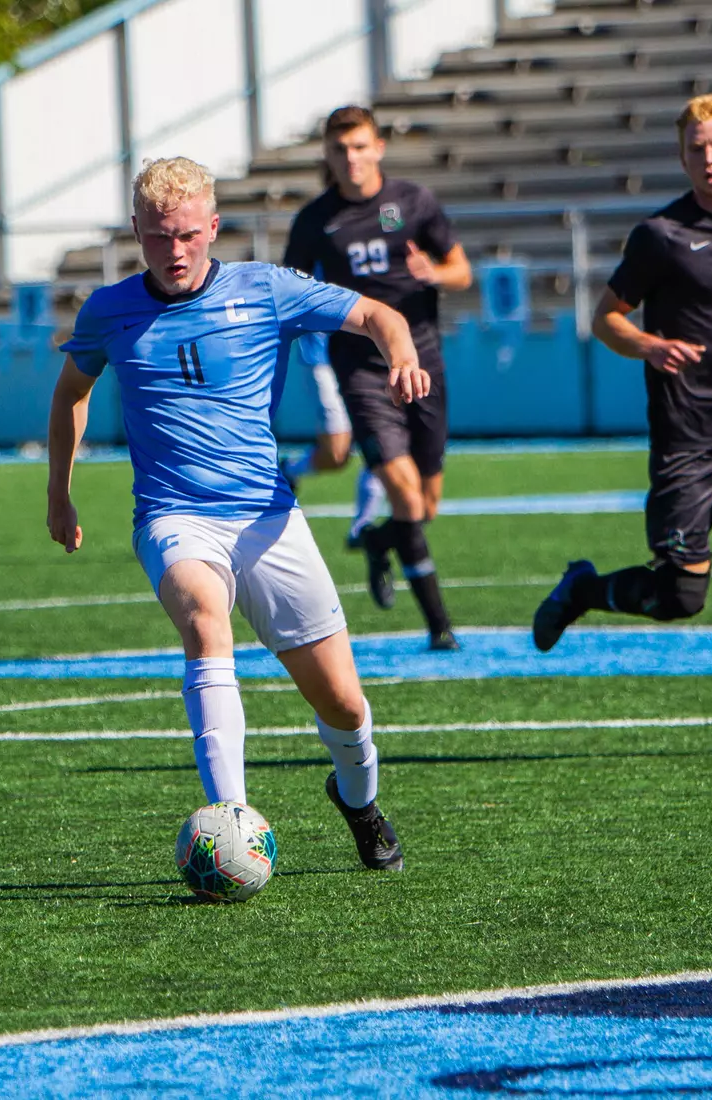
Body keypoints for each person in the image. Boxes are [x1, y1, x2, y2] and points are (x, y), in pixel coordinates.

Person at [47, 156, 431, 871]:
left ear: (214, 227)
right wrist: (58, 493)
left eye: (189, 235)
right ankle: (233, 823)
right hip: (172, 516)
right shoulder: (108, 311)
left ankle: (360, 802)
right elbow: (71, 392)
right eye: (159, 238)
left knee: (344, 707)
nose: (176, 252)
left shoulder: (266, 289)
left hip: (266, 516)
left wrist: (401, 355)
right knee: (201, 612)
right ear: (137, 232)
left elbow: (378, 314)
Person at [533, 94, 712, 753]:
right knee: (681, 598)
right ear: (683, 157)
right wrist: (648, 344)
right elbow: (606, 317)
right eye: (697, 148)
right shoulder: (661, 236)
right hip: (688, 440)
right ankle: (586, 588)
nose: (710, 158)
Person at [283, 105, 472, 651]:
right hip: (361, 369)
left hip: (424, 362)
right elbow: (291, 290)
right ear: (328, 155)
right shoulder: (316, 220)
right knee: (405, 496)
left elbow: (462, 270)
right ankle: (440, 625)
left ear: (379, 147)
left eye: (360, 146)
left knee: (426, 504)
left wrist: (434, 273)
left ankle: (376, 540)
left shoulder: (414, 202)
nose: (351, 158)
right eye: (341, 149)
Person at [279, 331, 389, 549]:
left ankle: (361, 529)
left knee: (381, 444)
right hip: (323, 359)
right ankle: (289, 470)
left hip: (368, 359)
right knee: (336, 455)